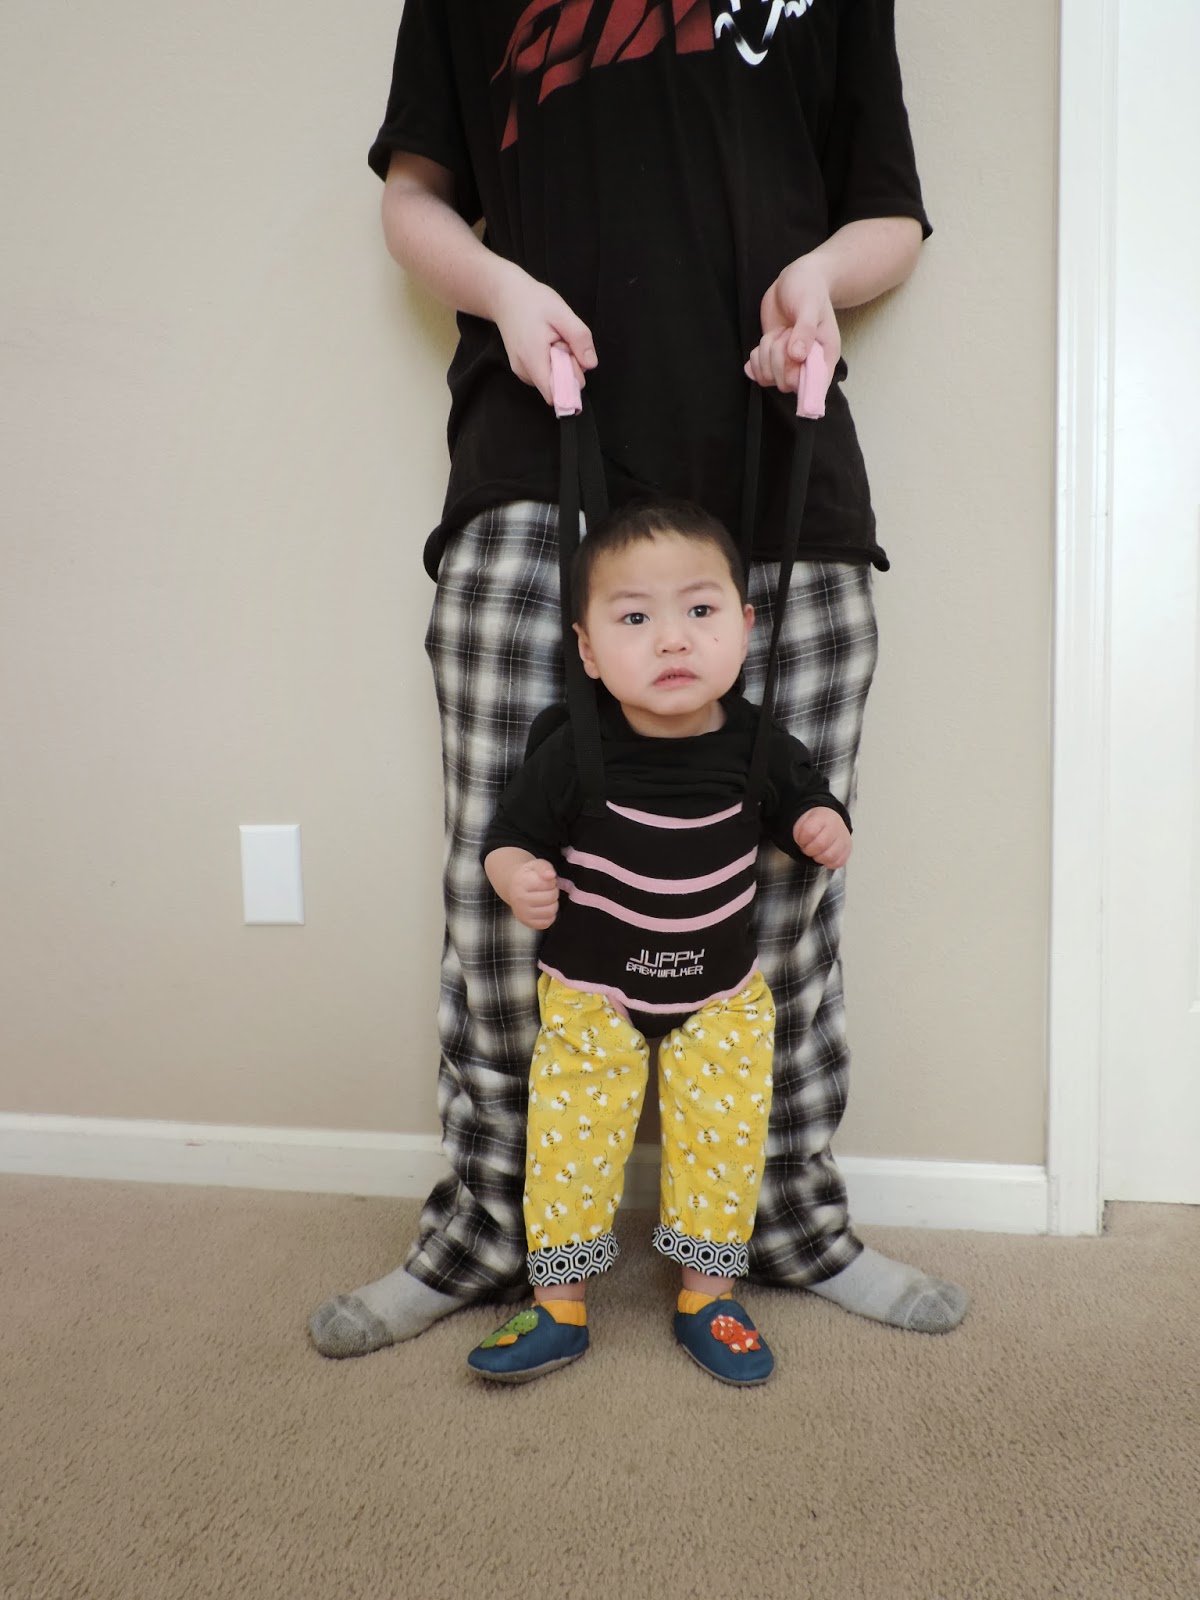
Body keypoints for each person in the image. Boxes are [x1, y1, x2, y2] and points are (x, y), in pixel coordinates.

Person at [309, 0, 967, 1360]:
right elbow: (416, 194)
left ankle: (786, 1219)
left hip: (777, 463)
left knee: (790, 888)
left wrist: (816, 281)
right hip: (535, 454)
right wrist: (501, 291)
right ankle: (490, 1229)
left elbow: (889, 214)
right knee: (508, 890)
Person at [466, 497, 853, 1386]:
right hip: (592, 992)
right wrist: (516, 875)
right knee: (568, 1144)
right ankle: (558, 1306)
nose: (673, 640)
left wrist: (820, 824)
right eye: (635, 619)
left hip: (718, 995)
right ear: (589, 650)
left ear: (744, 628)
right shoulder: (576, 750)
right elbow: (508, 836)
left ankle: (708, 1296)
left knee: (723, 1141)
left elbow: (807, 802)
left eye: (700, 611)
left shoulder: (758, 744)